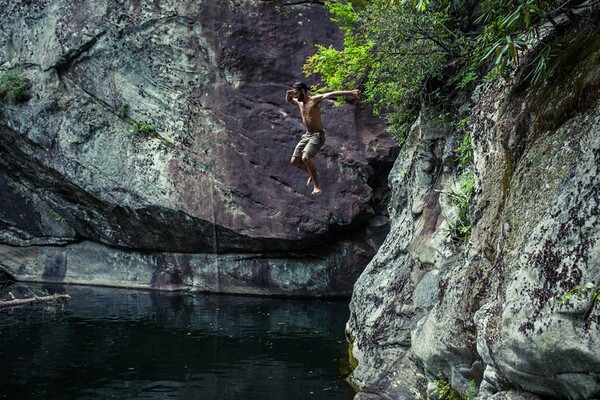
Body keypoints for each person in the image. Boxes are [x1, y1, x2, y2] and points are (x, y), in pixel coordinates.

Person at [285, 81, 360, 195]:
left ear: (303, 91)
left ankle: (316, 187)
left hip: (317, 135)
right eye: (294, 93)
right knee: (294, 161)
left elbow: (332, 94)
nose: (295, 95)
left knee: (305, 158)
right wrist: (288, 94)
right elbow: (289, 100)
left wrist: (351, 92)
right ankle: (312, 173)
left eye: (296, 93)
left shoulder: (314, 100)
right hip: (307, 135)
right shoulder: (300, 103)